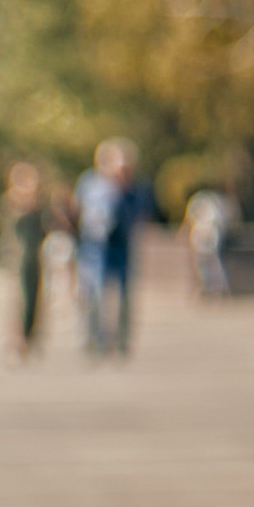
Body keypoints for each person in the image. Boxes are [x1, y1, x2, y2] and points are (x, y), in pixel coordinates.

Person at [73, 138, 155, 355]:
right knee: (94, 294)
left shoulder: (135, 189)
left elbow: (140, 215)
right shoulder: (90, 184)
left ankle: (122, 340)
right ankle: (95, 338)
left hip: (122, 245)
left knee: (125, 295)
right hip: (95, 246)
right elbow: (80, 213)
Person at [0, 159, 54, 358]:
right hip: (12, 259)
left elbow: (47, 229)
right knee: (15, 299)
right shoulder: (7, 203)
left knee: (33, 298)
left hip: (34, 259)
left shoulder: (39, 205)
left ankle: (30, 336)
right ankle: (15, 340)